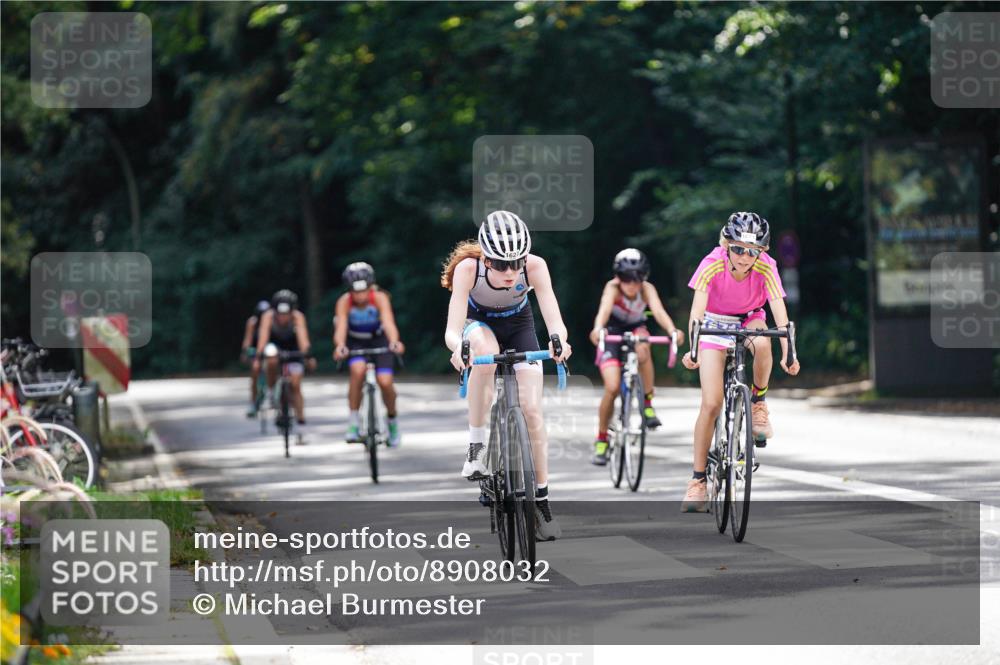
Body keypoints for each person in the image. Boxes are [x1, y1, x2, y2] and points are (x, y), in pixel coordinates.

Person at [442, 210, 572, 542]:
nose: (511, 272)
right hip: (478, 324)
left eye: (517, 262)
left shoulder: (535, 267)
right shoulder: (467, 270)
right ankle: (477, 447)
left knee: (532, 412)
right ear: (485, 258)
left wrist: (560, 341)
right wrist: (459, 349)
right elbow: (452, 330)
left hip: (519, 325)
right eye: (501, 264)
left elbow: (552, 316)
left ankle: (541, 500)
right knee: (484, 358)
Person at [680, 212, 800, 512]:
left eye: (753, 251)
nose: (746, 257)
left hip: (750, 319)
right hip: (714, 324)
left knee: (762, 342)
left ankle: (758, 402)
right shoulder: (711, 263)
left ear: (762, 251)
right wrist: (693, 348)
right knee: (711, 403)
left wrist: (789, 351)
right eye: (738, 249)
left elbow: (779, 314)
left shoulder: (766, 267)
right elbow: (697, 311)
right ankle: (697, 481)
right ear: (726, 245)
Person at [588, 248, 684, 465]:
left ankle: (647, 403)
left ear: (644, 277)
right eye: (625, 278)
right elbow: (603, 311)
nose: (631, 283)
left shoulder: (647, 289)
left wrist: (672, 331)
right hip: (611, 333)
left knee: (643, 345)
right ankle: (602, 439)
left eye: (637, 277)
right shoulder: (612, 288)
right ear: (617, 276)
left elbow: (658, 312)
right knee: (611, 388)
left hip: (635, 330)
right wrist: (597, 329)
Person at [332, 262, 405, 446]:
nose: (360, 296)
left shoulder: (379, 297)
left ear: (370, 286)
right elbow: (341, 326)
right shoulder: (344, 301)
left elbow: (388, 322)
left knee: (385, 381)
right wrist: (340, 345)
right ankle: (354, 422)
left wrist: (394, 341)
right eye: (355, 292)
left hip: (379, 339)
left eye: (363, 290)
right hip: (356, 341)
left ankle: (392, 421)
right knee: (357, 371)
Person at [254, 289, 317, 441]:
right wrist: (258, 355)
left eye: (286, 313)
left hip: (293, 349)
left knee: (296, 385)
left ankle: (301, 424)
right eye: (280, 313)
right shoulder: (268, 317)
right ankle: (270, 391)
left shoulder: (297, 317)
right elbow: (263, 338)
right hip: (274, 347)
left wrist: (308, 356)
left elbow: (303, 339)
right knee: (271, 358)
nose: (283, 317)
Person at [240, 299, 271, 417]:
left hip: (268, 349)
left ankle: (275, 394)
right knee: (255, 371)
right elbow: (247, 340)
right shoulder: (252, 322)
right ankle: (253, 402)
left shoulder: (271, 321)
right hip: (254, 350)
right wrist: (245, 352)